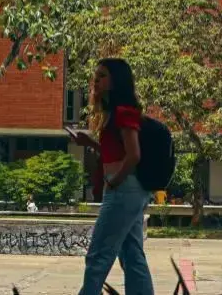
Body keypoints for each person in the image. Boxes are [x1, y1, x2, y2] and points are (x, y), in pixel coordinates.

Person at [68, 58, 154, 295]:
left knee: (98, 256)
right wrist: (91, 143)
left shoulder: (123, 112)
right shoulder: (113, 114)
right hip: (129, 190)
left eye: (102, 75)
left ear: (117, 81)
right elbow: (117, 152)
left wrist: (114, 181)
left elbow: (133, 155)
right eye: (95, 75)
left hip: (123, 189)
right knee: (132, 255)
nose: (96, 80)